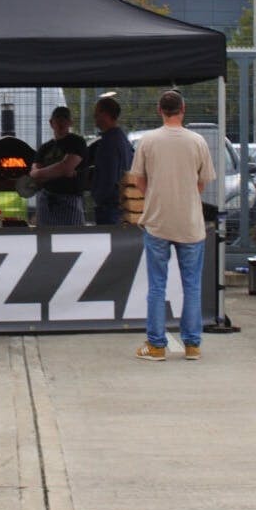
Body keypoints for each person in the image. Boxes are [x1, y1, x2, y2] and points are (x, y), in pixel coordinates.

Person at [131, 89, 216, 361]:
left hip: (157, 221)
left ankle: (156, 345)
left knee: (157, 285)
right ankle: (192, 344)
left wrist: (155, 195)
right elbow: (202, 182)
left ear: (159, 109)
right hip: (190, 223)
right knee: (192, 285)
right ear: (183, 108)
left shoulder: (148, 140)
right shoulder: (197, 141)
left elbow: (138, 180)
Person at [30, 106, 87, 226]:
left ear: (70, 122)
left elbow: (66, 167)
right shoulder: (44, 148)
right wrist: (60, 172)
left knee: (72, 240)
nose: (61, 122)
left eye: (65, 118)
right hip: (46, 203)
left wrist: (40, 173)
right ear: (51, 123)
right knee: (45, 240)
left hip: (69, 203)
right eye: (58, 118)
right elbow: (35, 176)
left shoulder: (77, 142)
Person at [89, 96, 134, 224]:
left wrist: (98, 196)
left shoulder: (108, 143)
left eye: (97, 112)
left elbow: (109, 176)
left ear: (105, 114)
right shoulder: (122, 140)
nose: (94, 116)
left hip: (110, 208)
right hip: (119, 205)